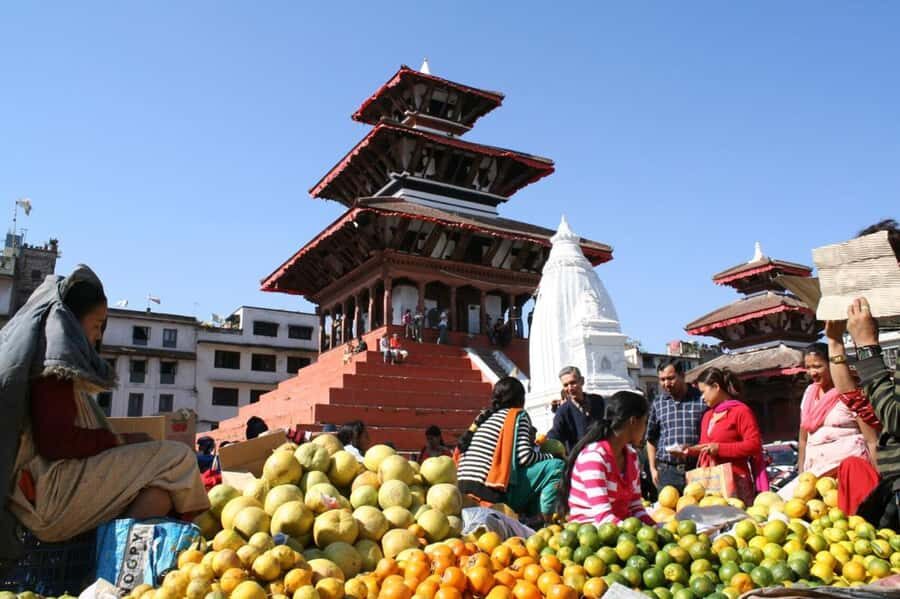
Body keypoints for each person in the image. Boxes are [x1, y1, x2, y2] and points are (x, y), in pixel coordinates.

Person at [1, 266, 209, 552]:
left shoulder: (44, 363)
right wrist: (117, 441)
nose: (98, 337)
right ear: (72, 322)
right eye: (97, 325)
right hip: (47, 495)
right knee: (178, 460)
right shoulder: (53, 372)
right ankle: (121, 556)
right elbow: (57, 442)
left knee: (161, 489)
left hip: (42, 490)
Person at [457, 377, 564, 522]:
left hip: (460, 494)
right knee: (557, 466)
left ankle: (531, 518)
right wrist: (553, 457)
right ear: (521, 399)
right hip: (489, 496)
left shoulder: (483, 418)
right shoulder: (517, 415)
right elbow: (525, 457)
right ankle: (544, 521)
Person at [557, 391, 655, 524]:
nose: (645, 429)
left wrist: (655, 528)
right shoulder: (593, 457)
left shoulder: (632, 457)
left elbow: (635, 506)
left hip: (623, 532)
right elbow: (603, 518)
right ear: (633, 421)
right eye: (644, 422)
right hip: (591, 533)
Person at [681, 367, 767, 505]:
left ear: (716, 387)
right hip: (712, 483)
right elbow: (705, 447)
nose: (701, 398)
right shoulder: (707, 416)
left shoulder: (740, 411)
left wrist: (719, 448)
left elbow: (754, 445)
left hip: (736, 481)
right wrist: (688, 451)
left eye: (703, 392)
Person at [798, 343, 879, 476]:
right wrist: (801, 472)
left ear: (832, 365)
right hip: (816, 474)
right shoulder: (809, 394)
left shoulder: (850, 393)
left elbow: (871, 439)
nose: (812, 373)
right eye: (808, 367)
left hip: (852, 473)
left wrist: (878, 478)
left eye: (817, 366)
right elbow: (803, 439)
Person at [645, 359, 707, 492]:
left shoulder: (701, 399)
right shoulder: (658, 403)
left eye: (671, 378)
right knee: (668, 512)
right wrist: (652, 469)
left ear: (682, 375)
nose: (666, 384)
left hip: (696, 469)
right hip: (667, 472)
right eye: (662, 379)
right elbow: (650, 438)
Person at [547, 366, 605, 454]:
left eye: (573, 383)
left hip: (603, 454)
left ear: (582, 381)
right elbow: (555, 436)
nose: (570, 388)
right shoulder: (563, 411)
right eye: (566, 385)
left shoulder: (597, 401)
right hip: (580, 461)